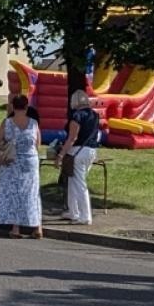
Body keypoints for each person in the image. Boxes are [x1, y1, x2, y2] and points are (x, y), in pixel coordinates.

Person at [0, 94, 43, 238]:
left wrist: (11, 144)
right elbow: (38, 144)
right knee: (32, 194)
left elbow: (0, 142)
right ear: (27, 107)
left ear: (13, 107)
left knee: (14, 193)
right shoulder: (34, 123)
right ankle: (37, 227)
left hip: (12, 161)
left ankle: (16, 229)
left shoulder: (7, 123)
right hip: (30, 161)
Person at [56, 89, 104, 225]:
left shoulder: (77, 116)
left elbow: (72, 138)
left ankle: (85, 216)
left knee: (78, 183)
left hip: (77, 151)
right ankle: (73, 211)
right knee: (74, 181)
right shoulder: (94, 115)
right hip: (91, 150)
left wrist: (60, 154)